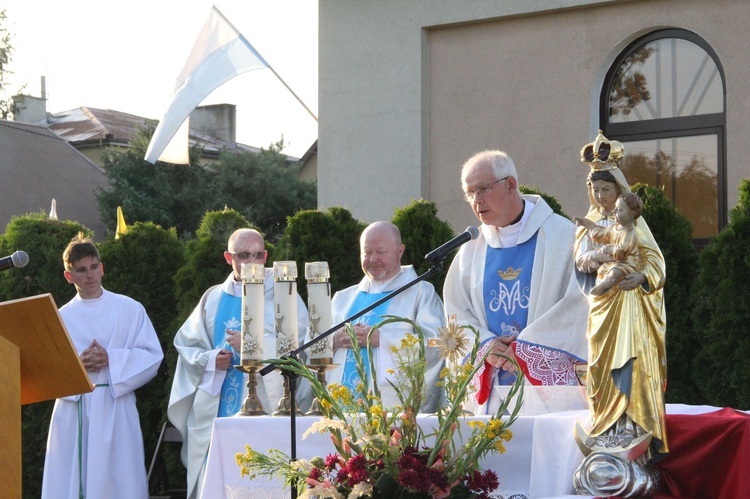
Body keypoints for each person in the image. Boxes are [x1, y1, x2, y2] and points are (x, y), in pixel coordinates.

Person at [443, 150, 589, 414]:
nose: (477, 201)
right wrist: (485, 345)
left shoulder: (564, 236)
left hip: (546, 393)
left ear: (511, 185)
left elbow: (579, 304)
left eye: (483, 189)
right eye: (470, 193)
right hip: (492, 384)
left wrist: (525, 350)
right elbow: (456, 313)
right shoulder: (470, 249)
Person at [167, 228, 309, 498]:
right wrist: (210, 360)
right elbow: (188, 344)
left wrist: (253, 346)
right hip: (218, 405)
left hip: (267, 406)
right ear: (227, 257)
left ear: (266, 256)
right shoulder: (213, 298)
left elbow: (298, 346)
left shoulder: (283, 293)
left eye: (259, 255)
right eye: (243, 255)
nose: (252, 262)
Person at [42, 234, 163, 499]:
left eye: (94, 267)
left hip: (115, 404)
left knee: (120, 478)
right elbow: (47, 369)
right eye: (81, 270)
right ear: (68, 276)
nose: (90, 275)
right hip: (74, 409)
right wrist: (78, 363)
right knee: (71, 480)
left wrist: (112, 359)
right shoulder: (60, 317)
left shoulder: (129, 309)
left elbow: (152, 356)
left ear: (102, 268)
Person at [574, 131, 667, 457]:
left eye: (606, 189)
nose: (600, 196)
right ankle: (604, 422)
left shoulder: (631, 221)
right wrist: (598, 256)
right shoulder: (591, 224)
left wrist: (642, 275)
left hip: (628, 303)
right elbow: (579, 261)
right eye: (595, 189)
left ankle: (629, 424)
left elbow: (654, 258)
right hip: (601, 306)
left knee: (626, 359)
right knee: (600, 363)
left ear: (619, 188)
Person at [326, 221, 445, 412]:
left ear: (400, 251)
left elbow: (436, 345)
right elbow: (311, 345)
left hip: (393, 412)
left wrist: (382, 340)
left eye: (381, 252)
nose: (372, 259)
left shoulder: (421, 293)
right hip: (339, 408)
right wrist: (334, 340)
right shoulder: (343, 298)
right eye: (367, 252)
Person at [574, 192, 643, 296]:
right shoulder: (614, 228)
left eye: (619, 209)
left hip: (626, 264)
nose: (614, 211)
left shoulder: (630, 232)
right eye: (615, 207)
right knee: (602, 271)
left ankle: (603, 286)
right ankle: (601, 288)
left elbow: (622, 250)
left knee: (614, 274)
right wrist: (589, 225)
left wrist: (607, 249)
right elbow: (601, 234)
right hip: (612, 263)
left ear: (632, 214)